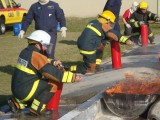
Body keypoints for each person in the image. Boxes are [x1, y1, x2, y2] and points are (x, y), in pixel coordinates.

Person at [8, 30, 81, 116]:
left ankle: (17, 102)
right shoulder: (36, 56)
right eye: (45, 45)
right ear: (37, 44)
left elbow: (40, 61)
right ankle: (37, 109)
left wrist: (53, 62)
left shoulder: (25, 52)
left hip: (17, 88)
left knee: (39, 85)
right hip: (25, 91)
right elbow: (53, 73)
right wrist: (73, 77)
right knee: (52, 83)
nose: (46, 48)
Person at [69, 10, 132, 75]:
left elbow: (99, 34)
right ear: (107, 20)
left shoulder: (94, 22)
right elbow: (114, 34)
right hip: (88, 47)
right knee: (90, 68)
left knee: (102, 45)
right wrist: (125, 40)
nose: (111, 25)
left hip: (83, 43)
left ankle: (97, 64)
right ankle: (68, 68)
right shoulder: (104, 25)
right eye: (111, 23)